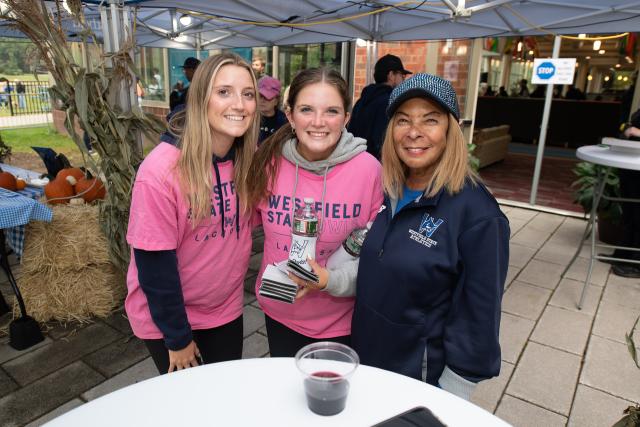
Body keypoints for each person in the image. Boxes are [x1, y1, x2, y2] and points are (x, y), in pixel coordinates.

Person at [351, 74, 510, 401]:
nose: (414, 132)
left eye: (430, 120)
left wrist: (452, 395)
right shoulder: (389, 189)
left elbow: (479, 317)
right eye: (403, 120)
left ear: (451, 131)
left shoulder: (478, 216)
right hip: (368, 362)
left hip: (419, 379)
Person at [125, 53, 259, 374]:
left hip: (224, 308)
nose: (239, 104)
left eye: (248, 93)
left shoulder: (249, 159)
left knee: (224, 398)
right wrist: (178, 338)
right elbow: (154, 266)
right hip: (171, 319)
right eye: (224, 91)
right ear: (200, 99)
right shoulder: (160, 171)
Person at [248, 68, 384, 357]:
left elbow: (379, 256)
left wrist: (329, 281)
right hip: (279, 309)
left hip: (340, 323)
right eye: (306, 109)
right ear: (290, 114)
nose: (318, 122)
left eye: (331, 111)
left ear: (346, 118)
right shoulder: (267, 164)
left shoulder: (369, 170)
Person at [348, 54, 412, 160]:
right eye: (402, 75)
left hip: (356, 162)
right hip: (377, 166)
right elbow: (382, 142)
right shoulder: (388, 102)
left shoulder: (363, 100)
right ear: (391, 75)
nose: (403, 80)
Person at [608, 109, 640, 278]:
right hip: (631, 163)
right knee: (630, 214)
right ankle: (622, 256)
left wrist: (636, 131)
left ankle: (636, 263)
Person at [162, 57, 201, 145]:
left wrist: (175, 92)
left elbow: (175, 109)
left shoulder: (193, 89)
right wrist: (181, 91)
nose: (185, 73)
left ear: (193, 70)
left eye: (185, 70)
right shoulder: (201, 86)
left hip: (188, 132)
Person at [257, 75, 287, 145]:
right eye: (260, 96)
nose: (262, 100)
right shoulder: (249, 118)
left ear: (276, 100)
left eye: (267, 97)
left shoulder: (284, 122)